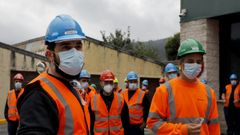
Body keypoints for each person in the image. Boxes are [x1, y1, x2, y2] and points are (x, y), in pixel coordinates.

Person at [17, 15, 90, 134]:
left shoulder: (69, 85)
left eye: (78, 46)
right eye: (66, 47)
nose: (74, 53)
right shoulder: (37, 94)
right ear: (49, 55)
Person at [147, 38, 220, 134]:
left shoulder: (209, 92)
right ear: (180, 63)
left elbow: (214, 127)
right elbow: (153, 123)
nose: (195, 65)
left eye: (198, 62)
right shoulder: (164, 90)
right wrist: (182, 130)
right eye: (190, 61)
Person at [89, 70, 129, 135]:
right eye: (106, 82)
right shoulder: (93, 100)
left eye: (111, 82)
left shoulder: (121, 99)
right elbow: (90, 122)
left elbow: (126, 122)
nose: (109, 85)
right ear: (101, 83)